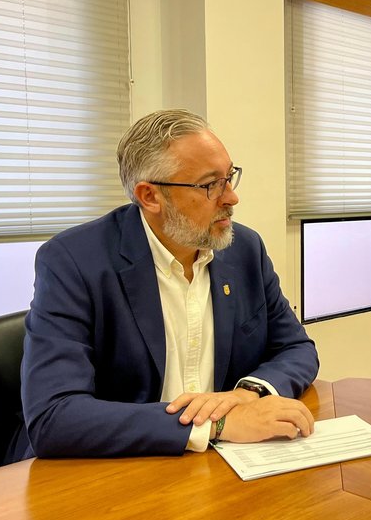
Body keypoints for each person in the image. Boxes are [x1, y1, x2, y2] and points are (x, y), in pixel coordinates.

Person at [16, 109, 318, 461]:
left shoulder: (244, 250)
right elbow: (54, 416)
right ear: (150, 197)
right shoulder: (74, 261)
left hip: (225, 466)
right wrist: (215, 426)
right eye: (209, 185)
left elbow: (297, 348)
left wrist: (246, 394)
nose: (231, 198)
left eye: (229, 177)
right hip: (119, 472)